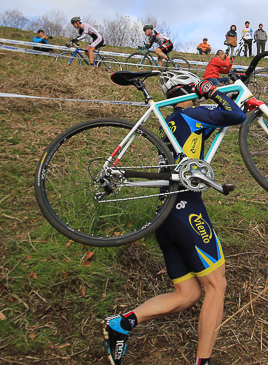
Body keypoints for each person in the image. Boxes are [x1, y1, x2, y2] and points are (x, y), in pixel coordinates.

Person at [103, 71, 246, 365]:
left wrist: (223, 90)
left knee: (187, 293)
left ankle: (121, 324)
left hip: (164, 215)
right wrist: (212, 90)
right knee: (216, 286)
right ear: (187, 90)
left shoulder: (169, 123)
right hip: (186, 210)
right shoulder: (193, 115)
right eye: (194, 88)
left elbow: (220, 116)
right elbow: (236, 114)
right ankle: (202, 362)